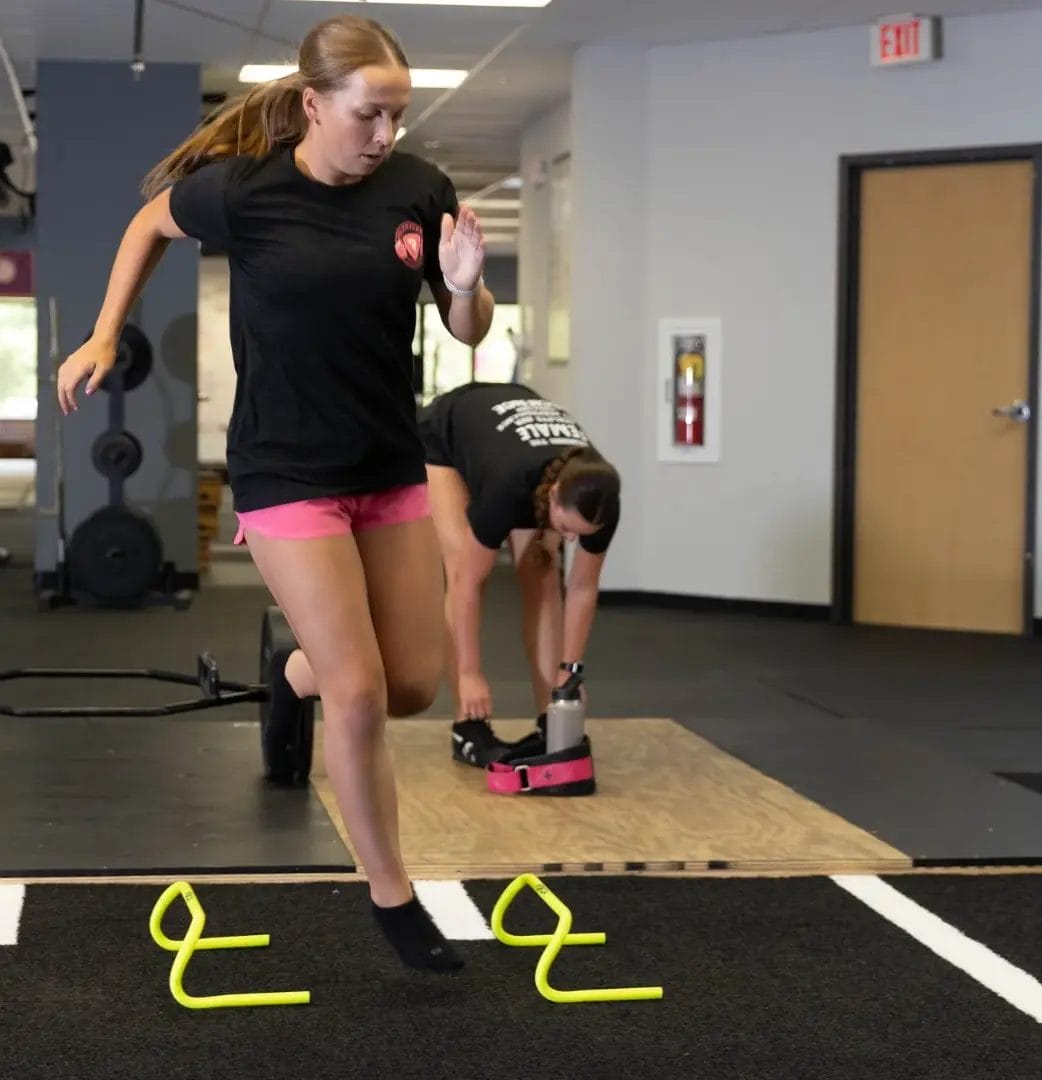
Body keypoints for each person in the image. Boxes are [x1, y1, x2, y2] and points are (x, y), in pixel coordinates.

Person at [55, 14, 490, 974]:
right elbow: (147, 223)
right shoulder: (245, 192)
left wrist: (464, 287)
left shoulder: (417, 191)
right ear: (312, 106)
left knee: (412, 682)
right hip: (284, 472)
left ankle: (297, 679)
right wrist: (100, 332)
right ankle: (393, 899)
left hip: (386, 466)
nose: (385, 135)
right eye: (369, 114)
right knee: (365, 694)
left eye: (398, 117)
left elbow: (465, 331)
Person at [418, 381, 620, 767]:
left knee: (543, 577)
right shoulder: (507, 488)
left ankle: (550, 715)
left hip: (518, 443)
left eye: (581, 534)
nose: (573, 539)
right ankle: (468, 725)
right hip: (446, 434)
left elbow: (580, 587)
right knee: (464, 561)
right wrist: (470, 673)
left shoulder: (601, 500)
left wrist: (570, 674)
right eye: (567, 528)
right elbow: (467, 586)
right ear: (554, 494)